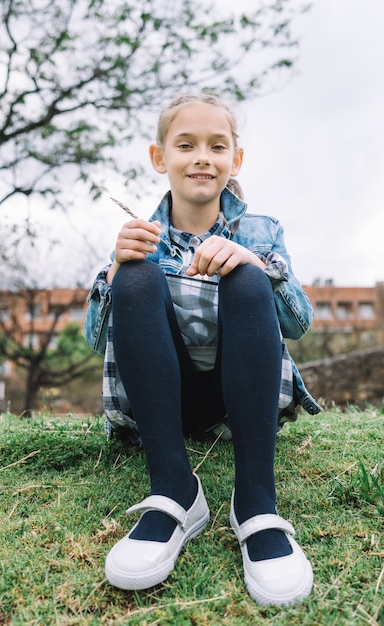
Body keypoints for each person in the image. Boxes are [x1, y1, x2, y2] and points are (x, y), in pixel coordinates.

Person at [84, 93, 321, 606]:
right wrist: (112, 274)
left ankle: (256, 503)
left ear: (235, 159)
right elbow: (94, 338)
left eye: (217, 146)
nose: (201, 157)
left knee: (248, 277)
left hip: (240, 399)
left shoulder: (263, 230)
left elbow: (298, 322)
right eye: (185, 144)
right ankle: (174, 491)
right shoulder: (139, 237)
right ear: (159, 157)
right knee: (137, 276)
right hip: (159, 401)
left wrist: (254, 262)